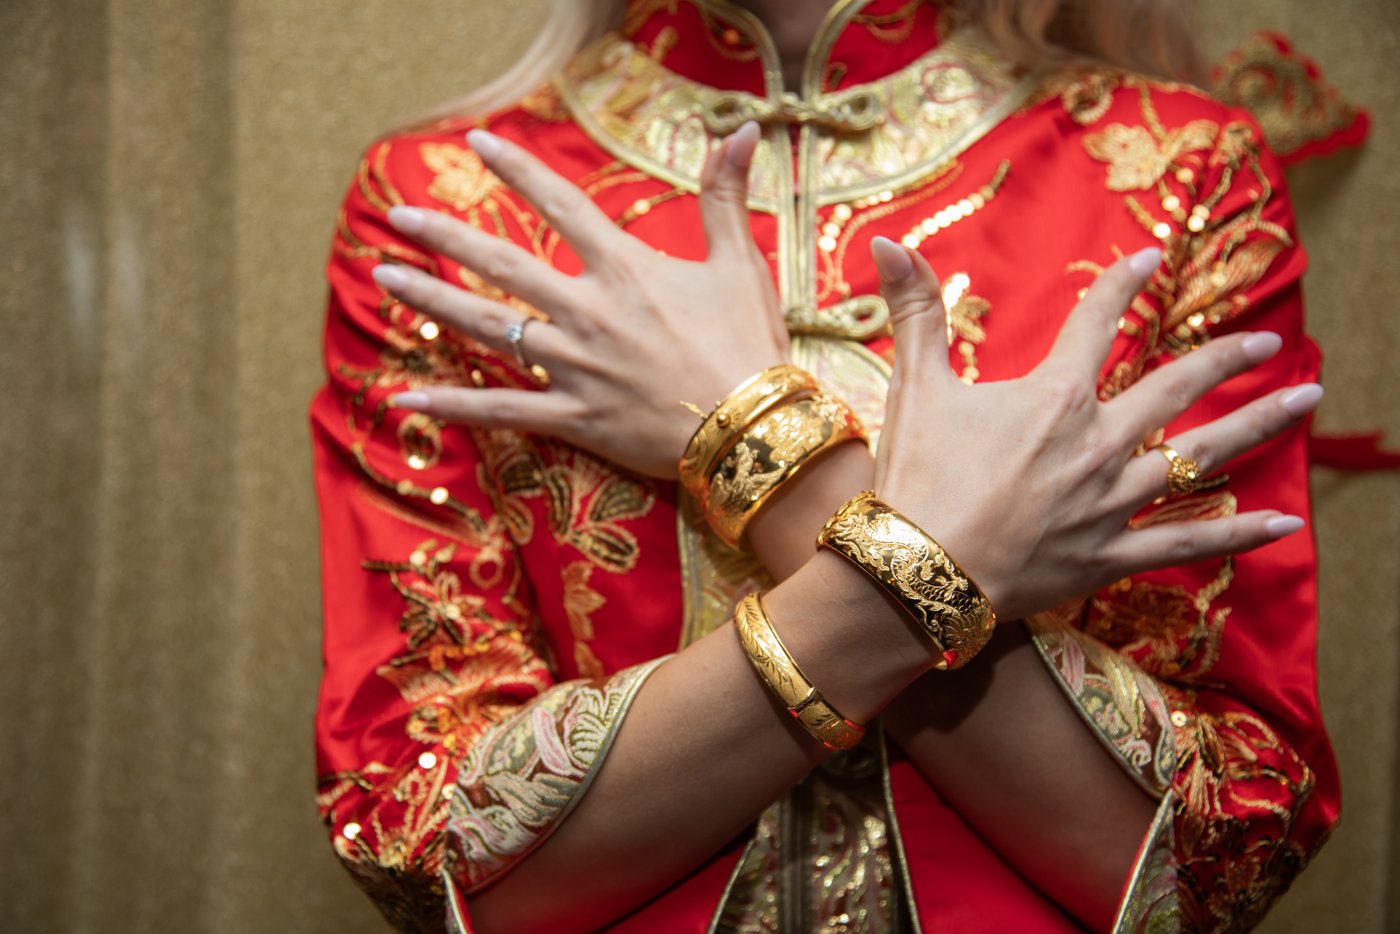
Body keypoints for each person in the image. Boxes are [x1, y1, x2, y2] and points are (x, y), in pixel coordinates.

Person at [310, 1, 1339, 931]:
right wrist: (926, 560)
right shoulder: (444, 206)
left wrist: (756, 439)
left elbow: (1216, 862)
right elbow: (422, 846)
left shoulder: (1180, 169)